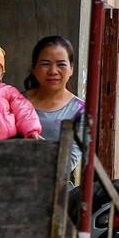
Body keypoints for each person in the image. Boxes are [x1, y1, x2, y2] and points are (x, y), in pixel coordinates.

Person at [24, 35, 85, 172]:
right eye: (45, 64)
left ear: (71, 69)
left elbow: (69, 162)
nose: (53, 71)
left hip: (55, 188)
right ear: (34, 68)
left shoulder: (80, 110)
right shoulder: (16, 101)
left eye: (61, 64)